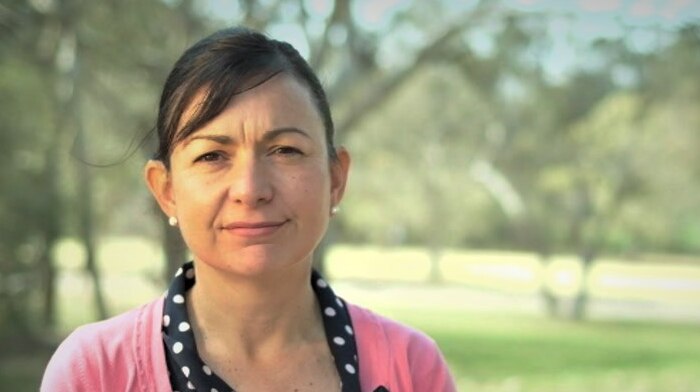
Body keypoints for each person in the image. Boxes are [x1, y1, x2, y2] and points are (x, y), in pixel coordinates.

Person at [41, 26, 457, 392]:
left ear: (335, 179)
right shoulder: (94, 372)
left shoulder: (411, 367)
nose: (250, 189)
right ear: (166, 190)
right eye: (212, 156)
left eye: (285, 150)